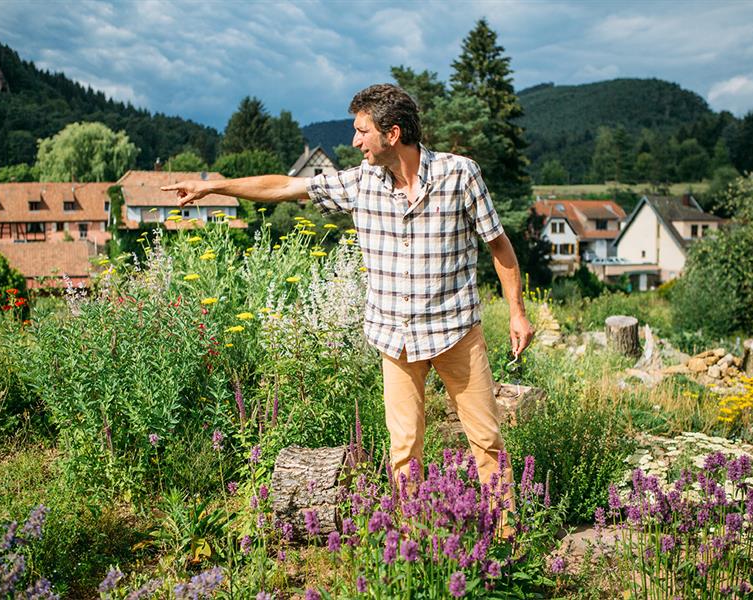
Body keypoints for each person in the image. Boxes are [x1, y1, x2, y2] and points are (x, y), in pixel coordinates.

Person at [163, 84, 533, 499]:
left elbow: (499, 245)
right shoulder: (360, 183)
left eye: (362, 131)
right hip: (396, 339)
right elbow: (284, 187)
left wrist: (517, 313)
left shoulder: (460, 175)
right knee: (405, 450)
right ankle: (414, 548)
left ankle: (505, 537)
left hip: (456, 332)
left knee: (486, 441)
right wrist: (214, 186)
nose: (355, 141)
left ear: (391, 134)